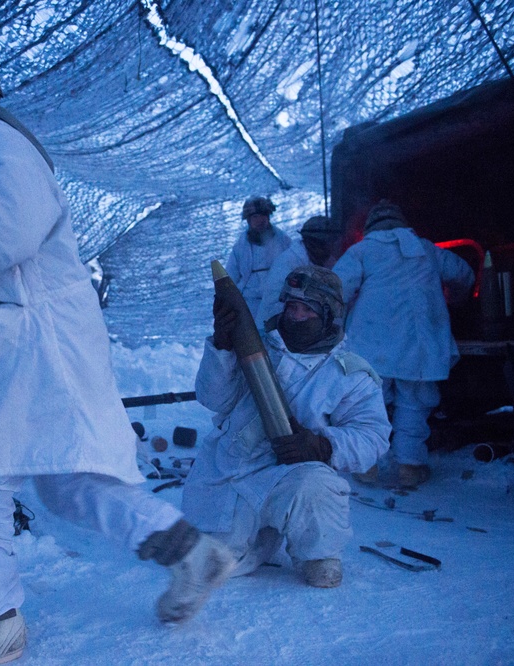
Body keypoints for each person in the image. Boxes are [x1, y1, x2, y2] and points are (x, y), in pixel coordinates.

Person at [0, 31, 234, 666]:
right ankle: (189, 550)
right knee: (72, 484)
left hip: (20, 355)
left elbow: (0, 236)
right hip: (23, 350)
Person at [183, 265, 391, 588]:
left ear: (328, 315)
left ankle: (318, 553)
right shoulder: (255, 344)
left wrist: (323, 445)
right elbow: (213, 399)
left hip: (288, 476)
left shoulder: (348, 374)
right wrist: (222, 348)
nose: (295, 316)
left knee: (317, 485)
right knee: (209, 564)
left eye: (306, 309)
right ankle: (260, 541)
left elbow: (374, 436)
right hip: (230, 471)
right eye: (291, 307)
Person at [332, 200, 474, 488]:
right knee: (414, 403)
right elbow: (464, 274)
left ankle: (367, 465)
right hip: (420, 344)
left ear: (371, 227)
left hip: (373, 344)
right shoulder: (426, 248)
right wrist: (455, 298)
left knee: (370, 405)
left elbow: (336, 289)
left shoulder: (361, 251)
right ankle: (410, 466)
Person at [255, 214, 340, 325]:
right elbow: (275, 307)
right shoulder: (289, 265)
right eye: (328, 245)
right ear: (314, 244)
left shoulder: (316, 260)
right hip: (275, 331)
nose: (331, 250)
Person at [225, 195, 292, 319]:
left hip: (278, 301)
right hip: (250, 302)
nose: (260, 220)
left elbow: (294, 268)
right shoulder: (240, 247)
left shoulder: (284, 242)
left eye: (263, 215)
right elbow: (231, 275)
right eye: (255, 217)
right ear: (248, 220)